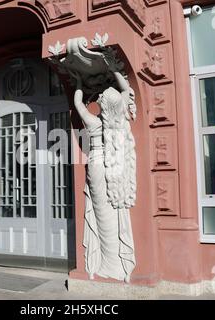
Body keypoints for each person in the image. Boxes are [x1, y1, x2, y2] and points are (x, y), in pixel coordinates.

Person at [72, 70, 137, 283]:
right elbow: (127, 89)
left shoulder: (93, 123)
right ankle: (120, 266)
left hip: (98, 170)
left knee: (100, 215)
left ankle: (100, 263)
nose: (98, 97)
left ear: (104, 105)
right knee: (116, 214)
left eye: (101, 97)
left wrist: (80, 82)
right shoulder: (119, 117)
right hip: (115, 170)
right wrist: (115, 69)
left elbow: (78, 103)